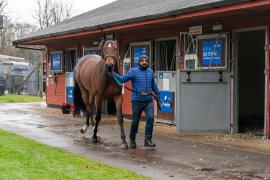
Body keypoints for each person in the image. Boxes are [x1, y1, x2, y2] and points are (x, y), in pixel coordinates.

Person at [113, 55, 160, 148]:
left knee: (150, 118)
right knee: (135, 121)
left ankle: (148, 140)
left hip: (148, 101)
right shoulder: (133, 71)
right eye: (142, 60)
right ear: (139, 62)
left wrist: (157, 94)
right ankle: (132, 140)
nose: (144, 62)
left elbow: (154, 85)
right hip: (137, 101)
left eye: (146, 60)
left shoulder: (150, 72)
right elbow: (122, 79)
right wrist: (113, 74)